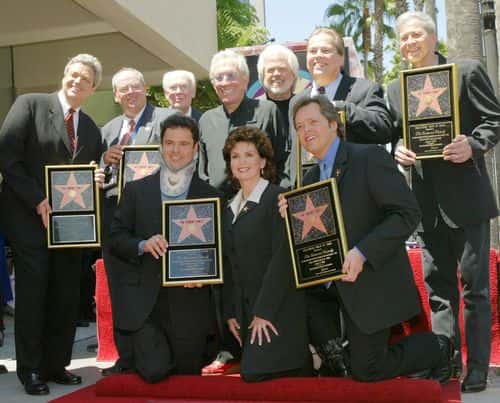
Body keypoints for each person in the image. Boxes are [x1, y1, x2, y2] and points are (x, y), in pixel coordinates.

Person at [281, 95, 453, 383]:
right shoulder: (308, 180)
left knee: (368, 370)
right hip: (331, 289)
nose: (306, 130)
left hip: (372, 283)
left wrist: (362, 252)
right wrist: (290, 218)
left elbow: (407, 213)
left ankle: (438, 347)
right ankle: (337, 355)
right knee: (294, 297)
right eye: (299, 126)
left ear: (333, 124)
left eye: (313, 122)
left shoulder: (368, 157)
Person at [386, 11, 500, 393]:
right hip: (425, 205)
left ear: (432, 38)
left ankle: (478, 368)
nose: (410, 43)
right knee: (438, 293)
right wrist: (398, 148)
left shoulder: (465, 71)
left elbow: (494, 120)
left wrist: (473, 143)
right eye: (403, 38)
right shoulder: (395, 89)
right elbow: (397, 135)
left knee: (475, 289)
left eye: (416, 35)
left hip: (467, 201)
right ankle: (445, 363)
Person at [0, 54, 104, 395]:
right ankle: (30, 370)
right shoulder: (29, 105)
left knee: (65, 293)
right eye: (72, 75)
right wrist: (36, 199)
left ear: (93, 88)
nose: (76, 82)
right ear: (64, 76)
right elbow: (8, 157)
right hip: (28, 217)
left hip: (70, 226)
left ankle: (56, 364)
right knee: (34, 290)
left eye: (84, 79)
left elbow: (85, 175)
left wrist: (99, 178)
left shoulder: (90, 128)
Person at [108, 114, 221, 383]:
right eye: (170, 143)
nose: (176, 150)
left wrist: (204, 273)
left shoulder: (211, 195)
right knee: (156, 370)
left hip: (189, 301)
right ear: (161, 146)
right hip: (146, 302)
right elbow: (115, 237)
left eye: (183, 144)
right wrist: (142, 245)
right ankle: (136, 354)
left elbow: (220, 250)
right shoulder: (136, 190)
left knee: (187, 374)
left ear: (195, 149)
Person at [222, 126, 311, 382]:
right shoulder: (229, 208)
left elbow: (282, 260)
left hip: (276, 308)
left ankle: (310, 356)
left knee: (253, 374)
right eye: (235, 156)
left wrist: (265, 312)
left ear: (262, 161)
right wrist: (231, 312)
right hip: (246, 313)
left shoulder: (278, 199)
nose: (242, 162)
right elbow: (229, 264)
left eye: (249, 155)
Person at [100, 67, 171, 377]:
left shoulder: (165, 119)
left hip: (154, 216)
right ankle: (125, 357)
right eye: (123, 89)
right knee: (121, 289)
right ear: (116, 96)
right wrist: (103, 164)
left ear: (146, 90)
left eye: (135, 87)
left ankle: (159, 354)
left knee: (154, 290)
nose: (130, 93)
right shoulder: (108, 129)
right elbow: (97, 177)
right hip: (117, 220)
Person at [283, 27, 393, 188]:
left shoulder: (364, 89)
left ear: (341, 58)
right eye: (312, 51)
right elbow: (294, 155)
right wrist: (288, 190)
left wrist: (343, 109)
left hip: (357, 187)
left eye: (325, 50)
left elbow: (384, 129)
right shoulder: (296, 101)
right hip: (312, 193)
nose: (318, 55)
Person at [198, 49, 288, 196]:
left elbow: (284, 161)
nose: (225, 82)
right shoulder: (206, 120)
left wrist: (279, 197)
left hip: (261, 205)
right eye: (218, 78)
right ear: (214, 85)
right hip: (219, 207)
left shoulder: (266, 111)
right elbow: (201, 172)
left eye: (231, 76)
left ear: (245, 80)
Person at [257, 44, 299, 130]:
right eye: (270, 70)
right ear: (263, 76)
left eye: (282, 69)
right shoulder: (253, 110)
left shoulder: (304, 106)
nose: (276, 74)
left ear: (293, 74)